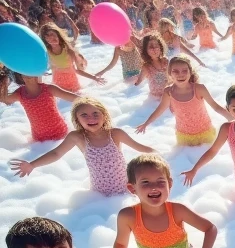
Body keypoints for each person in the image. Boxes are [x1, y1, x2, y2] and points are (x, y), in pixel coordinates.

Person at [9, 97, 152, 195]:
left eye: (96, 113)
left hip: (124, 190)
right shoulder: (77, 137)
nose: (91, 118)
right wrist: (32, 164)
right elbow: (56, 154)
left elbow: (142, 149)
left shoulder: (115, 134)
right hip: (98, 194)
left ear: (105, 116)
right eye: (84, 115)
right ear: (77, 119)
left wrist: (163, 157)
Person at [115, 155, 217, 248]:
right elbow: (121, 244)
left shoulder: (177, 211)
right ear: (132, 188)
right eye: (145, 182)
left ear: (169, 184)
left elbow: (210, 229)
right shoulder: (128, 217)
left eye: (160, 181)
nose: (154, 187)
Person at [135, 55, 229, 146]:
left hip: (205, 133)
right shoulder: (169, 92)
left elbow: (216, 107)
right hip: (184, 135)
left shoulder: (199, 89)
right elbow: (160, 109)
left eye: (184, 71)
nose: (181, 75)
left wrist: (233, 119)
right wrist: (146, 123)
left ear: (190, 72)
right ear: (169, 73)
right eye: (175, 71)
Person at [0, 69, 77, 142]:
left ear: (37, 74)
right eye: (24, 72)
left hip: (60, 133)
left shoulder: (48, 89)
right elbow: (4, 100)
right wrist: (3, 82)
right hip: (39, 138)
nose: (27, 74)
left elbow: (75, 98)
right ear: (21, 76)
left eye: (30, 71)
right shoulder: (20, 93)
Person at [40, 22, 102, 92]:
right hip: (58, 86)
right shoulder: (46, 51)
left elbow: (78, 70)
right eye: (47, 36)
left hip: (72, 85)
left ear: (58, 35)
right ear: (45, 39)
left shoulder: (69, 50)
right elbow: (38, 68)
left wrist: (94, 77)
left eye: (52, 35)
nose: (51, 38)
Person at [133, 33, 171, 98]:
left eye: (156, 46)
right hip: (154, 98)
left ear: (160, 47)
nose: (154, 48)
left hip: (168, 95)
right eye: (150, 47)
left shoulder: (166, 61)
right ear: (146, 50)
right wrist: (134, 83)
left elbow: (171, 78)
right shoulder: (146, 66)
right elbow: (139, 81)